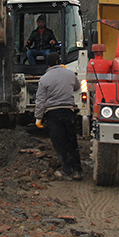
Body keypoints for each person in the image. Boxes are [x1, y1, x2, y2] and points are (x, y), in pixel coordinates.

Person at [35, 52, 83, 180]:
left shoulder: (44, 79)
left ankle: (66, 171)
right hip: (68, 111)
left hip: (53, 113)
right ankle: (77, 171)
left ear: (48, 64)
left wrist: (38, 117)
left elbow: (40, 100)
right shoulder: (70, 74)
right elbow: (77, 87)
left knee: (60, 143)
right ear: (59, 61)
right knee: (72, 141)